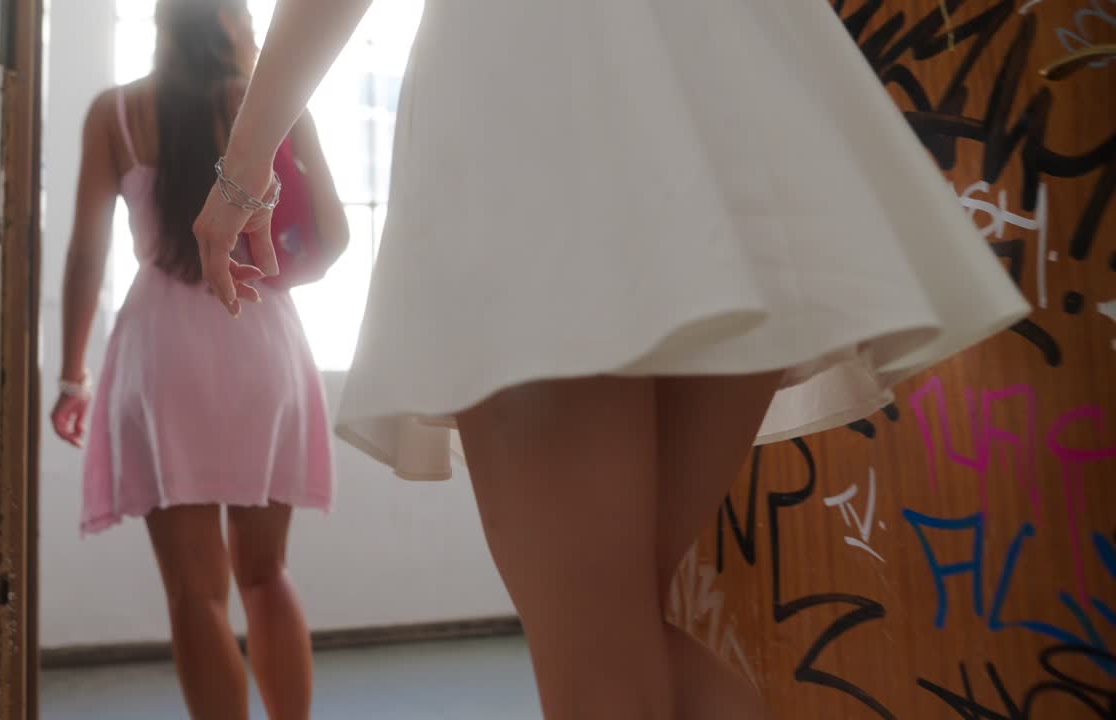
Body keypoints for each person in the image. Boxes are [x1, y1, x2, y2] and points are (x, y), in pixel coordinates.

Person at [193, 1, 1030, 717]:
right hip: (744, 89)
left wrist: (243, 170)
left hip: (540, 90)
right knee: (623, 642)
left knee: (599, 665)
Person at [50, 1, 348, 717]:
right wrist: (272, 272)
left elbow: (87, 253)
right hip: (261, 337)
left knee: (195, 593)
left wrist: (72, 374)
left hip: (164, 352)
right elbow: (333, 237)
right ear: (232, 24)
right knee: (266, 573)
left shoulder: (116, 114)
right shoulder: (272, 105)